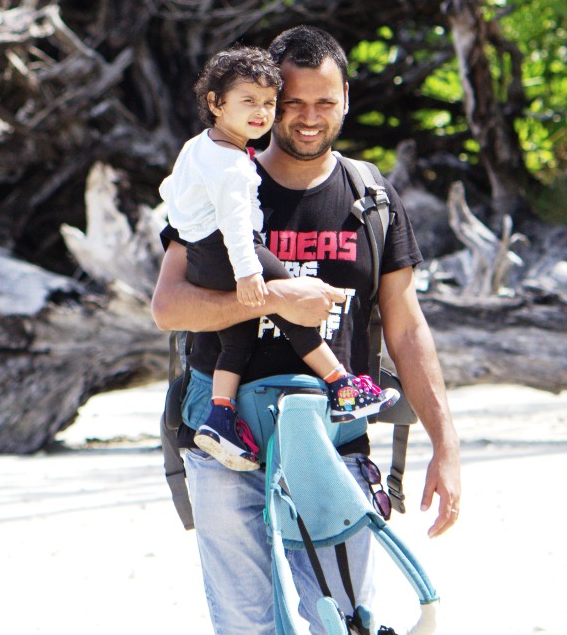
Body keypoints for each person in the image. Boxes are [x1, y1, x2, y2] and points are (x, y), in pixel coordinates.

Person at [150, 26, 461, 635]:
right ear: (261, 101)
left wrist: (446, 445)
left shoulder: (370, 195)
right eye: (290, 102)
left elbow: (407, 327)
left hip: (334, 441)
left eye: (324, 101)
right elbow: (169, 307)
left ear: (346, 97)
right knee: (247, 627)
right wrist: (278, 296)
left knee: (346, 622)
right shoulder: (219, 177)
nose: (307, 118)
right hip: (226, 442)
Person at [160, 47, 398, 473]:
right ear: (215, 103)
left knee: (238, 337)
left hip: (202, 250)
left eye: (269, 103)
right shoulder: (234, 165)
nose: (261, 113)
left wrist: (190, 220)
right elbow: (234, 225)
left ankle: (220, 415)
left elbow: (169, 188)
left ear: (344, 97)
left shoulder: (198, 148)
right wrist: (257, 281)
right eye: (250, 102)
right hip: (231, 248)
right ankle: (342, 385)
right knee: (294, 307)